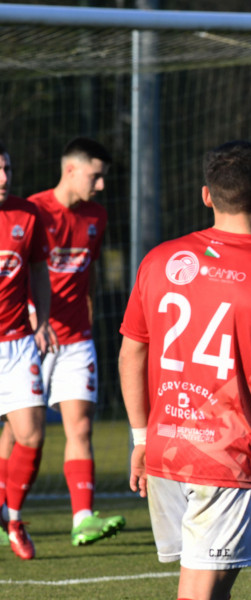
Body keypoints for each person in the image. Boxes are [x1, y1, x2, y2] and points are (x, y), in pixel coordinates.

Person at [118, 140, 251, 600]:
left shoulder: (159, 260)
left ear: (207, 196)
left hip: (166, 452)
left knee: (208, 587)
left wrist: (139, 438)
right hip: (226, 459)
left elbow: (131, 352)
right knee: (200, 594)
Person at [0, 137, 126, 548]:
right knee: (13, 430)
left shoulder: (95, 217)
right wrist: (36, 317)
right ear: (71, 169)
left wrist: (84, 318)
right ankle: (7, 515)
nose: (101, 184)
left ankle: (82, 518)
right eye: (96, 175)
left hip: (68, 339)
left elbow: (77, 274)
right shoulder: (36, 209)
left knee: (74, 427)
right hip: (34, 335)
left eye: (8, 170)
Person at [0, 141, 58, 560]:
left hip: (18, 342)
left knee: (31, 434)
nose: (4, 179)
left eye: (7, 169)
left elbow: (39, 269)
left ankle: (13, 518)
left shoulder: (27, 215)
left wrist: (42, 320)